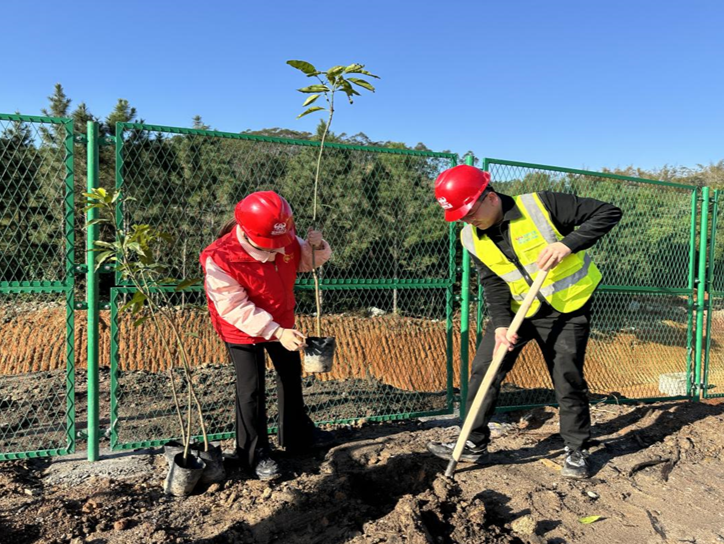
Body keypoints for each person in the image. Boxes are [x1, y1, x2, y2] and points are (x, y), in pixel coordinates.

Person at [428, 165, 622, 479]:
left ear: (490, 197)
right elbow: (492, 282)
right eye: (460, 216)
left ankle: (576, 449)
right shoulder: (470, 237)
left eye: (470, 211)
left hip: (566, 307)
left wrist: (566, 244)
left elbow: (608, 213)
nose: (466, 219)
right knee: (484, 369)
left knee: (566, 376)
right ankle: (472, 443)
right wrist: (503, 325)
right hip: (519, 309)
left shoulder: (541, 205)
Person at [200, 190, 333, 480]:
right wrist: (275, 331)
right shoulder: (220, 258)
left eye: (280, 244)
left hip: (283, 321)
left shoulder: (282, 239)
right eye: (269, 246)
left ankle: (298, 435)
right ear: (247, 232)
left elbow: (306, 261)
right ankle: (254, 452)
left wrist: (316, 245)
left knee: (289, 375)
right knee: (251, 388)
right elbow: (234, 307)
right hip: (240, 327)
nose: (278, 251)